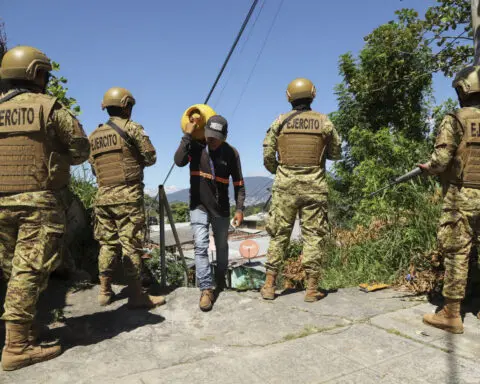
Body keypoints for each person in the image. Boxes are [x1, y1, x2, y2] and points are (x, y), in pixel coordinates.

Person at [0, 46, 90, 370]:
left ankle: (23, 329)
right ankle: (16, 347)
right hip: (37, 201)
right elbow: (80, 148)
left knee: (13, 271)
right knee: (27, 273)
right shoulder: (48, 107)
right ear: (34, 73)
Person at [260, 78, 341, 302]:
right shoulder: (324, 122)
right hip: (315, 187)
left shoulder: (280, 121)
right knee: (313, 236)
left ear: (289, 96)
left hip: (285, 187)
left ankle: (269, 286)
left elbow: (267, 154)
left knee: (279, 235)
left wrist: (280, 171)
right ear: (313, 94)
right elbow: (335, 152)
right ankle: (312, 289)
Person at [89, 87, 165, 309]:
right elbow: (150, 157)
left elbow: (94, 168)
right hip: (128, 197)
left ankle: (104, 291)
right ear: (126, 106)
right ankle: (136, 295)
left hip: (102, 197)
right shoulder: (132, 128)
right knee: (131, 244)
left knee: (107, 244)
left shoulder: (94, 135)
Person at [420, 66, 480, 334]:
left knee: (457, 252)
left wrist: (429, 168)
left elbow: (442, 160)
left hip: (461, 195)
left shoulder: (455, 119)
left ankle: (452, 314)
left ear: (464, 89)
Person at [174, 114, 245, 311]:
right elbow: (179, 161)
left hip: (221, 209)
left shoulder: (231, 153)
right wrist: (187, 135)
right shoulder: (196, 148)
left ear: (224, 136)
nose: (211, 140)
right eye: (209, 135)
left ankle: (220, 280)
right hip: (198, 206)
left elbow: (239, 184)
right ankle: (206, 289)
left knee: (222, 247)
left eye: (216, 136)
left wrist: (239, 209)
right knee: (200, 246)